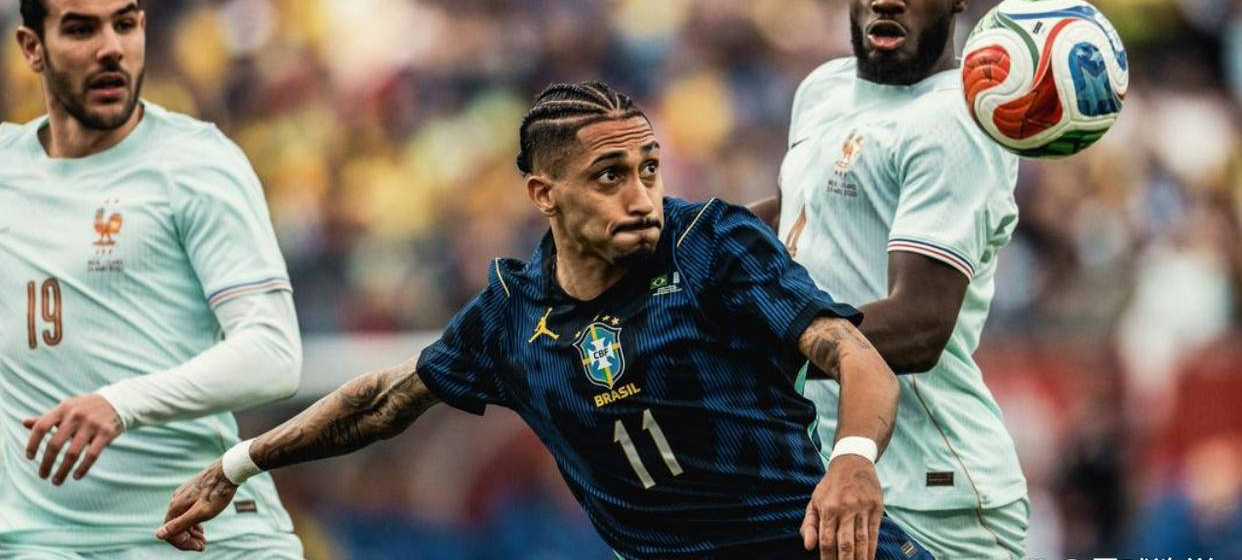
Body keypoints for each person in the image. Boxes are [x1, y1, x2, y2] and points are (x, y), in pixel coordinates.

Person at [158, 81, 932, 560]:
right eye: (610, 176)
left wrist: (853, 459)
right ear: (544, 194)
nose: (642, 196)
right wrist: (239, 464)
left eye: (649, 169)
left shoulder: (712, 244)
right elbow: (383, 401)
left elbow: (853, 353)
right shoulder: (510, 314)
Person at [0, 0, 305, 559]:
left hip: (210, 535)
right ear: (32, 48)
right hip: (42, 542)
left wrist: (121, 404)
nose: (111, 48)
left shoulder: (195, 163)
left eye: (125, 25)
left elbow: (273, 351)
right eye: (81, 29)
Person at [748, 0, 1028, 559]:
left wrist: (751, 337)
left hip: (938, 501)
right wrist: (679, 245)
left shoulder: (955, 122)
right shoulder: (824, 88)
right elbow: (797, 214)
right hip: (832, 478)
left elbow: (920, 324)